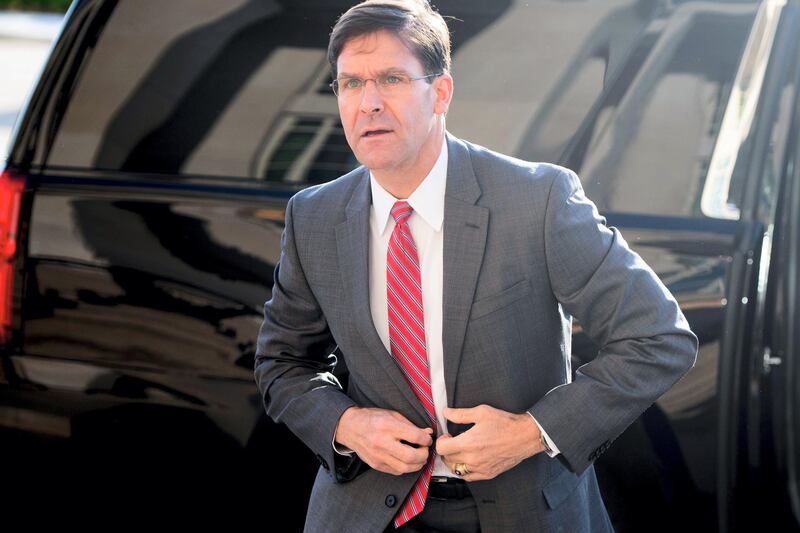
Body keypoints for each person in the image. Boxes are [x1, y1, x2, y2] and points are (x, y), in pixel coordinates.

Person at [253, 1, 699, 531]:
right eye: (350, 84)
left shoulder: (537, 199)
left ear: (441, 92)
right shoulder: (314, 215)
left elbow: (658, 339)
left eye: (391, 79)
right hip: (366, 512)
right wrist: (346, 423)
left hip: (522, 510)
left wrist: (530, 432)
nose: (368, 103)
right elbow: (281, 363)